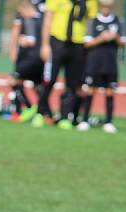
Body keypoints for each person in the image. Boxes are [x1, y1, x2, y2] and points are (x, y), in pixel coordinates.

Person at [33, 0, 98, 129]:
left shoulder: (90, 2)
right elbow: (47, 19)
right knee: (49, 79)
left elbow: (92, 22)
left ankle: (64, 116)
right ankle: (41, 113)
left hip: (78, 44)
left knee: (72, 83)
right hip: (57, 41)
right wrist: (45, 45)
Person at [77, 0, 126, 133]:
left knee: (110, 91)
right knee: (90, 90)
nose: (106, 9)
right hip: (94, 62)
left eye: (108, 7)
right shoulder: (92, 21)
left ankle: (109, 122)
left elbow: (123, 43)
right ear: (100, 6)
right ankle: (85, 120)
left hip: (110, 63)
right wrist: (102, 38)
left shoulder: (118, 21)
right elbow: (86, 44)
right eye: (104, 6)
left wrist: (115, 37)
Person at [8, 0, 45, 122]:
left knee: (14, 81)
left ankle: (30, 108)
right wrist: (13, 48)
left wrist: (25, 41)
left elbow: (31, 38)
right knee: (37, 84)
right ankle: (44, 112)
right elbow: (16, 28)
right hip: (30, 55)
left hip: (32, 56)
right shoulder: (27, 6)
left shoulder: (41, 10)